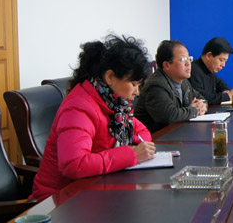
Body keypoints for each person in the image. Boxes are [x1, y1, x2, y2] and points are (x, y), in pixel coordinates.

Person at [30, 35, 156, 200]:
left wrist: (135, 149)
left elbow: (142, 132)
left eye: (139, 86)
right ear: (110, 77)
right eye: (133, 84)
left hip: (94, 189)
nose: (136, 92)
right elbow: (74, 165)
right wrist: (131, 154)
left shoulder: (115, 105)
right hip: (59, 200)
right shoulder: (78, 107)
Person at [135, 40, 207, 133]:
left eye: (189, 58)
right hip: (155, 138)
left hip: (176, 134)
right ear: (167, 65)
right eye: (183, 60)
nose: (188, 63)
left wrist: (202, 106)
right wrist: (194, 110)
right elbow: (169, 116)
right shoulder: (156, 85)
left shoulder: (183, 82)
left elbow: (202, 99)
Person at [189, 37, 233, 105]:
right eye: (221, 60)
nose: (223, 65)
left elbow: (221, 85)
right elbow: (200, 97)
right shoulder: (193, 70)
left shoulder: (210, 70)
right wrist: (228, 96)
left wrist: (226, 91)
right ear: (209, 56)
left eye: (225, 61)